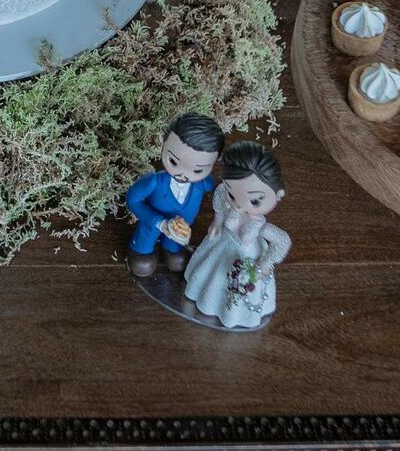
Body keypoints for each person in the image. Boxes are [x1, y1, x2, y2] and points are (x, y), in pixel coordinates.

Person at [181, 140, 289, 330]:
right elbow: (221, 193)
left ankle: (230, 312)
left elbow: (282, 241)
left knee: (234, 289)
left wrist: (264, 265)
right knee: (209, 276)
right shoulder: (227, 199)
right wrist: (217, 220)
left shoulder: (260, 227)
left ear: (278, 195)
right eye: (233, 196)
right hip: (222, 246)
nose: (239, 204)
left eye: (255, 201)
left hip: (247, 258)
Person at [124, 112, 224, 277]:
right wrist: (157, 221)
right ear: (163, 143)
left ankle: (171, 248)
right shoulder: (154, 182)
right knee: (143, 259)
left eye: (197, 170)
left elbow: (219, 190)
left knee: (177, 260)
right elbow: (133, 199)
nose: (183, 174)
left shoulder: (203, 183)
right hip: (152, 223)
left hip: (181, 231)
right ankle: (141, 250)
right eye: (173, 161)